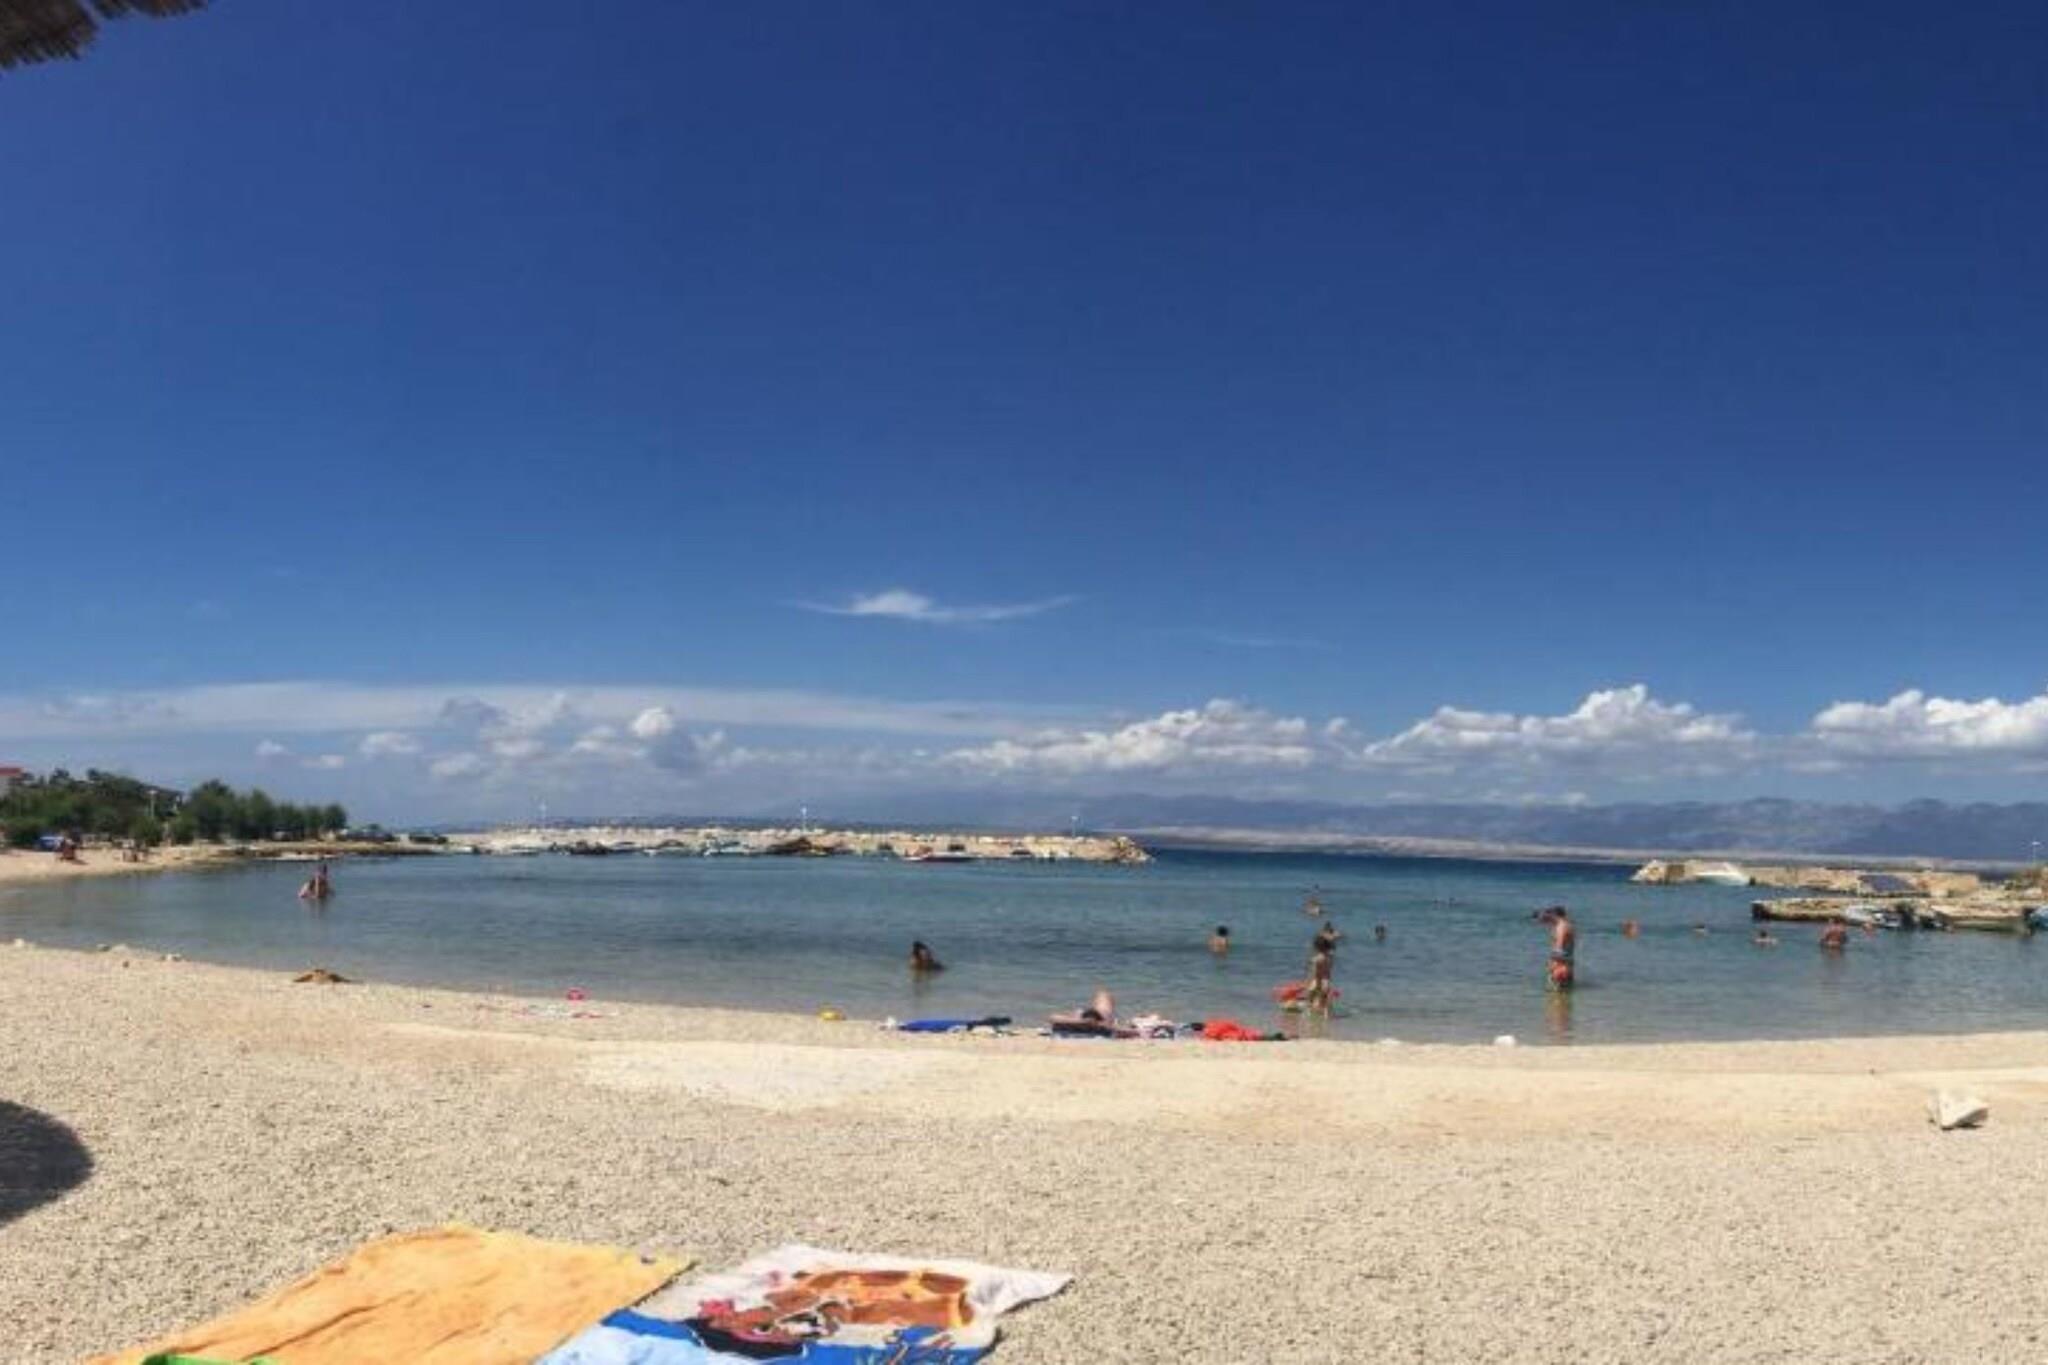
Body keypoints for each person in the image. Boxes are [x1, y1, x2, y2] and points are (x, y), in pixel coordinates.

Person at [1541, 906, 1576, 990]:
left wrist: (1554, 964)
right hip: (1567, 962)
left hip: (1561, 964)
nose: (1550, 918)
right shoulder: (1568, 925)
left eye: (1551, 915)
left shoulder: (1561, 927)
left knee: (1556, 993)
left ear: (1555, 915)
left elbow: (1559, 947)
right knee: (1565, 992)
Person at [1304, 942, 1335, 1013]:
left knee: (1309, 999)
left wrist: (1308, 982)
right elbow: (1328, 970)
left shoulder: (1317, 959)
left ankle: (1309, 1014)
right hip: (1326, 981)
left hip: (1317, 980)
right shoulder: (1330, 958)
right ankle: (1326, 1016)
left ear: (1317, 949)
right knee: (1325, 1002)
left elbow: (1315, 973)